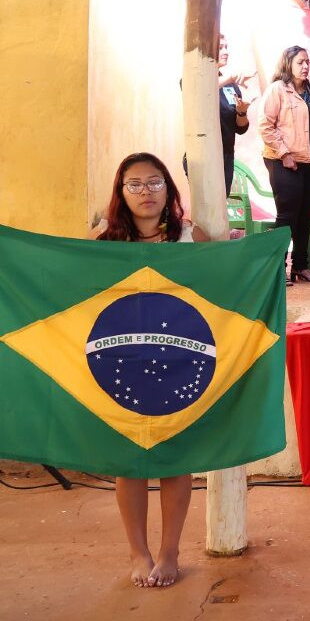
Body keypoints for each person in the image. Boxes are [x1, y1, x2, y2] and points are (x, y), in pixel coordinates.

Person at [94, 152, 208, 587]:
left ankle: (170, 552)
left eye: (155, 182)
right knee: (130, 462)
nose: (146, 192)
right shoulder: (103, 242)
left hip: (179, 360)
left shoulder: (188, 236)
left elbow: (223, 282)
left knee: (174, 460)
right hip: (119, 361)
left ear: (169, 189)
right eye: (135, 184)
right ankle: (138, 553)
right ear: (121, 192)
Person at [259, 46, 310, 285]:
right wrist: (284, 154)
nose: (305, 66)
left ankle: (300, 266)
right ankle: (277, 267)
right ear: (288, 64)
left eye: (308, 62)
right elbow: (265, 126)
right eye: (300, 62)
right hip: (285, 162)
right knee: (287, 215)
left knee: (305, 216)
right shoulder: (277, 90)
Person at [181, 34, 251, 196]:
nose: (226, 51)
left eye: (227, 47)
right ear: (207, 51)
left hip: (225, 155)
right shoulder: (193, 78)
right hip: (202, 155)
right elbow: (201, 92)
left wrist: (242, 111)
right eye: (220, 48)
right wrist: (229, 78)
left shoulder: (231, 85)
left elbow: (240, 128)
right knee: (206, 206)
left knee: (220, 205)